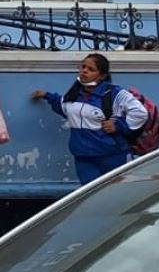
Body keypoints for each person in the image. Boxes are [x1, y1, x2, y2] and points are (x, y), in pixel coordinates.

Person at [31, 52, 149, 184]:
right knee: (90, 195)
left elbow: (140, 113)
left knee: (116, 194)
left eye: (91, 69)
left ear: (102, 76)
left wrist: (118, 125)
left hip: (112, 156)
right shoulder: (75, 94)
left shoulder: (114, 94)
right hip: (84, 158)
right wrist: (46, 96)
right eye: (83, 67)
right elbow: (64, 106)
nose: (84, 71)